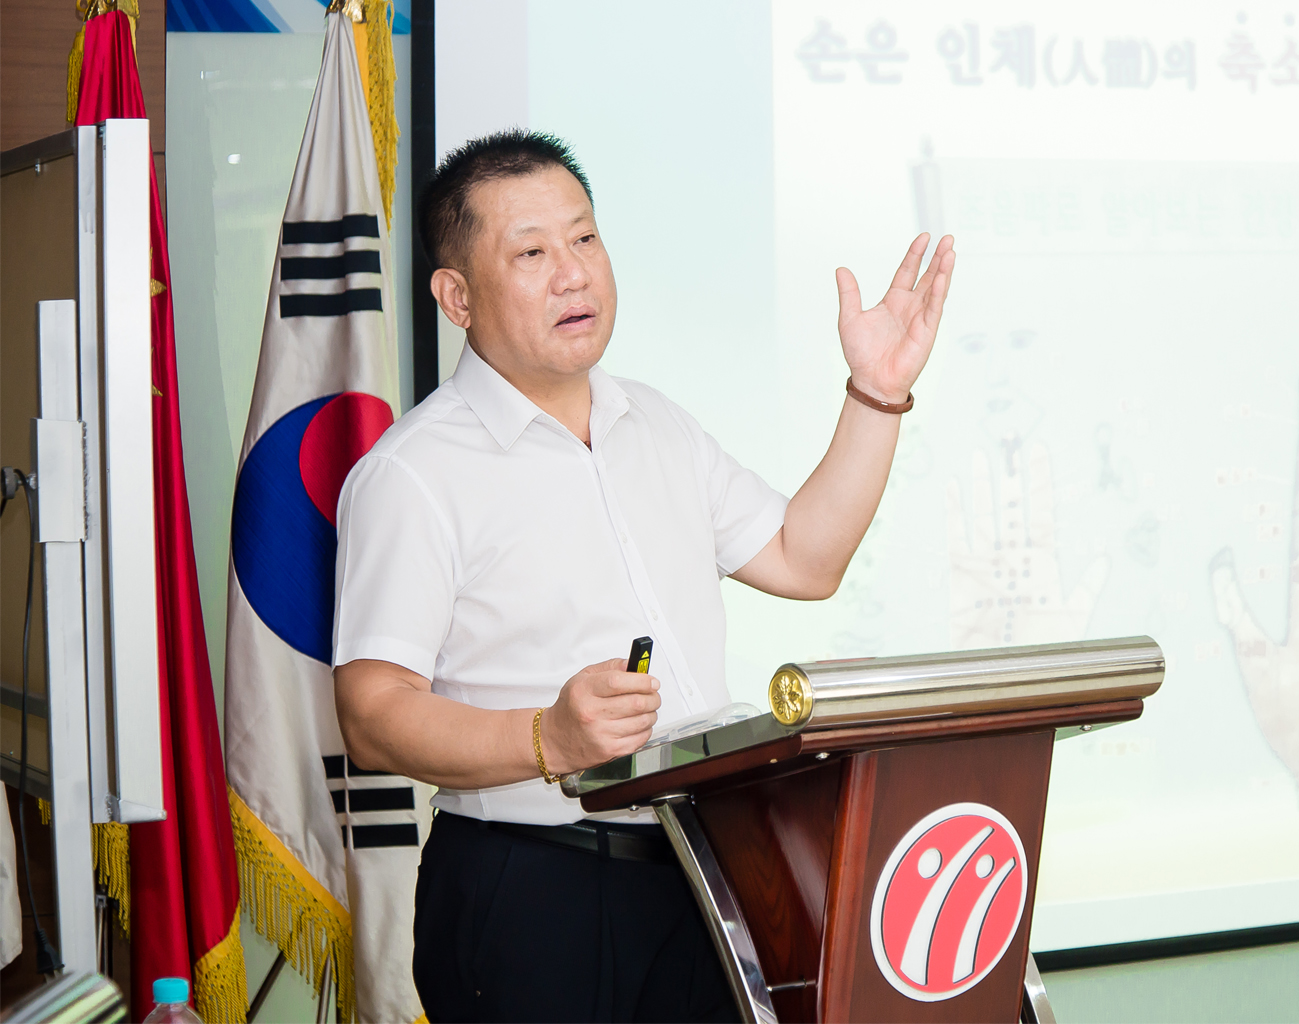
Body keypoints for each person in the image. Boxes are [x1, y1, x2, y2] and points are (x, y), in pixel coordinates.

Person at [330, 128, 954, 1022]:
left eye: (585, 238)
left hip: (703, 873)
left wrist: (877, 394)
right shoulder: (413, 473)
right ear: (456, 296)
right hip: (534, 892)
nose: (573, 273)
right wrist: (546, 738)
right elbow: (371, 713)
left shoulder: (655, 422)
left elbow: (804, 559)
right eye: (532, 253)